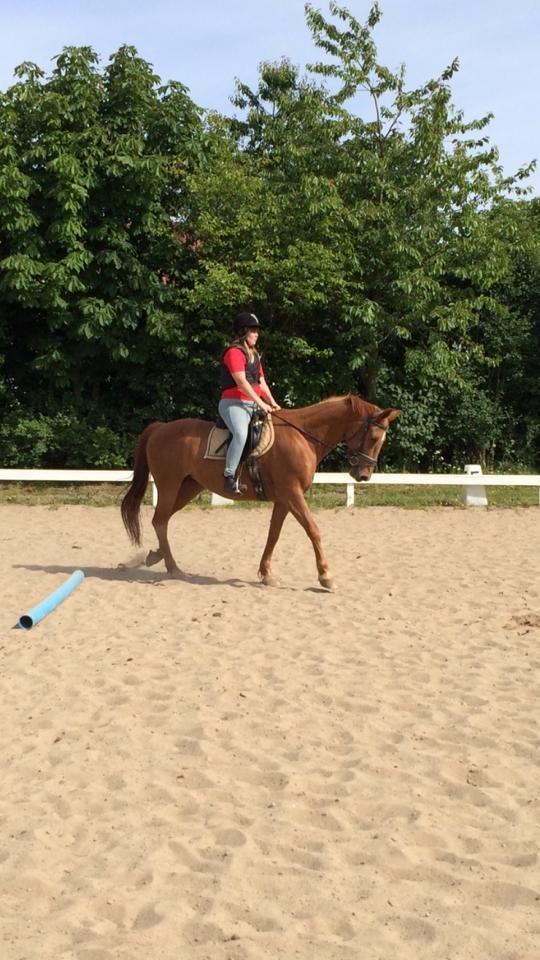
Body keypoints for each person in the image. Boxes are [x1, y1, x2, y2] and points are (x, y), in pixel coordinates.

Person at [219, 312, 280, 494]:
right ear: (243, 332)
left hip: (251, 403)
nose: (257, 334)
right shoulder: (234, 353)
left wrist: (273, 403)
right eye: (253, 330)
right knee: (240, 433)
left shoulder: (254, 355)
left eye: (256, 331)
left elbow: (261, 382)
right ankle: (229, 476)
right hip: (233, 403)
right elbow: (242, 383)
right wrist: (261, 404)